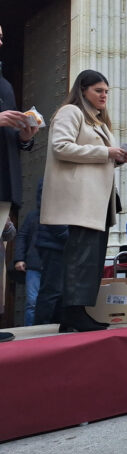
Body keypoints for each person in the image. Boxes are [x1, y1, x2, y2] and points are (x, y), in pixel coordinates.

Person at [41, 70, 127, 332]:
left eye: (106, 91)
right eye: (98, 90)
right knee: (81, 256)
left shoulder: (99, 121)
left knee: (92, 257)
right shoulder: (71, 112)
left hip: (98, 199)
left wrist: (115, 158)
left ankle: (78, 312)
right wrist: (106, 152)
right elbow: (61, 147)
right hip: (80, 199)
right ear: (83, 90)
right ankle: (72, 314)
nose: (104, 95)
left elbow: (94, 159)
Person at [0, 24, 38, 342]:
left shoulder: (6, 85)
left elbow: (9, 136)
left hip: (4, 181)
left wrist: (25, 136)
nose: (1, 38)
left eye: (2, 33)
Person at [14, 180, 43, 325]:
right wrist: (19, 259)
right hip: (34, 265)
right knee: (32, 303)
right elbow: (22, 236)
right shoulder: (33, 216)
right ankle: (29, 334)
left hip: (56, 265)